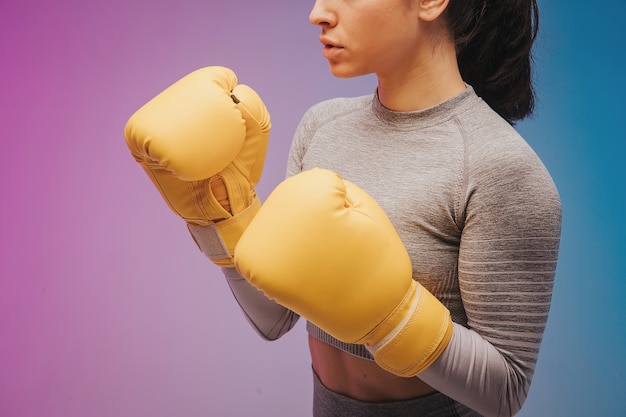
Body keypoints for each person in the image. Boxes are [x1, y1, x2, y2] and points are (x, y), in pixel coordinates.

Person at [124, 0, 562, 416]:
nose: (317, 13)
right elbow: (275, 318)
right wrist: (219, 210)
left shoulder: (499, 167)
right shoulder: (322, 127)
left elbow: (505, 391)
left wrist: (391, 316)